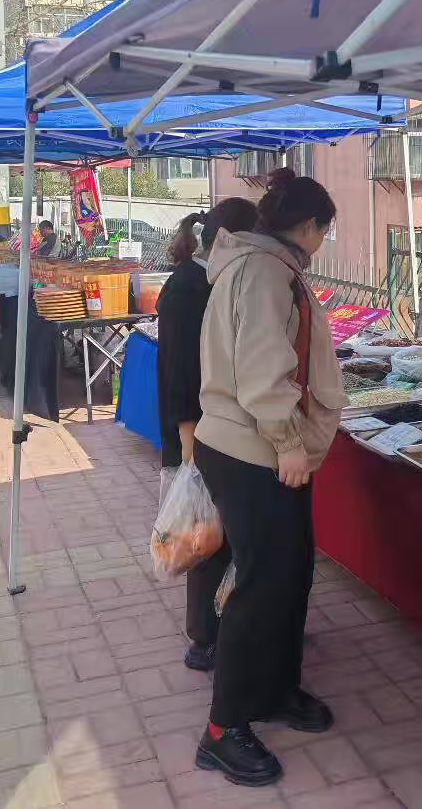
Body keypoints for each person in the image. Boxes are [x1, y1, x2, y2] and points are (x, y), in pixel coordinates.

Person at [193, 168, 347, 786]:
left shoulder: (267, 265)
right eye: (323, 230)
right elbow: (262, 367)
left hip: (261, 445)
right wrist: (286, 441)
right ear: (307, 226)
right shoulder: (261, 271)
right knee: (259, 587)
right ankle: (222, 729)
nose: (322, 242)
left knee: (290, 576)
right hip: (253, 449)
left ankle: (275, 689)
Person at [156, 197, 259, 673]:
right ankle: (204, 638)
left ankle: (227, 622)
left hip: (212, 427)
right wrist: (188, 444)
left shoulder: (211, 281)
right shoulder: (187, 288)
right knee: (204, 537)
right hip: (195, 429)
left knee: (222, 533)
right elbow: (180, 372)